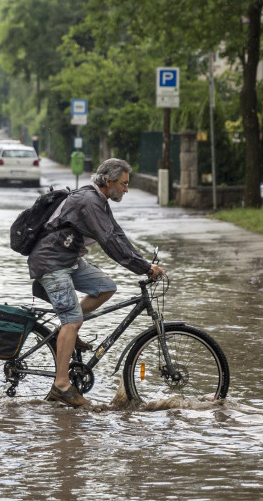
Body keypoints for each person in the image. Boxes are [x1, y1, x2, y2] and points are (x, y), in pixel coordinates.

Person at [28, 158, 164, 407]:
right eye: (123, 184)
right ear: (109, 181)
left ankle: (65, 333)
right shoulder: (89, 201)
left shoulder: (99, 200)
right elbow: (109, 242)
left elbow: (117, 233)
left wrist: (145, 264)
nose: (126, 189)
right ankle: (61, 385)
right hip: (51, 262)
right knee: (73, 319)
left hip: (67, 259)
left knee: (106, 287)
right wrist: (143, 268)